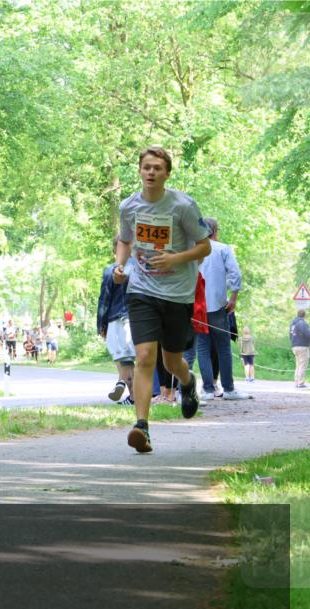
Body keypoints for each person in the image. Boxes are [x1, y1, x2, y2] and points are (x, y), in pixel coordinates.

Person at [113, 146, 211, 453]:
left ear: (167, 173)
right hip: (141, 289)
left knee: (170, 361)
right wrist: (120, 265)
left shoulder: (182, 206)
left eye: (157, 167)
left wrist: (175, 258)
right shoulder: (129, 206)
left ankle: (187, 381)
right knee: (144, 356)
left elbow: (204, 247)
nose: (151, 172)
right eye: (146, 167)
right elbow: (125, 240)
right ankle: (142, 426)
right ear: (140, 171)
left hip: (178, 292)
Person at [195, 218, 249, 401]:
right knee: (223, 348)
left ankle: (208, 389)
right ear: (215, 231)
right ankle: (228, 388)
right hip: (218, 305)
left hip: (197, 306)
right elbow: (235, 273)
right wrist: (233, 298)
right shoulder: (223, 249)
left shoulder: (192, 248)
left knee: (202, 347)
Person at [97, 238, 135, 404]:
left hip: (116, 318)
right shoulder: (139, 269)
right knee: (134, 358)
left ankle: (131, 393)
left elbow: (104, 299)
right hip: (138, 318)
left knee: (123, 359)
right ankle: (128, 389)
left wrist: (101, 324)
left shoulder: (111, 270)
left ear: (115, 251)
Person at [291, 309, 310, 388]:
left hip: (295, 346)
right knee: (302, 365)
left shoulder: (293, 324)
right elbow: (308, 334)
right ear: (304, 315)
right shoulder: (302, 323)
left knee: (298, 365)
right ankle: (300, 383)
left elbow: (290, 335)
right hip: (302, 346)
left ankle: (296, 382)